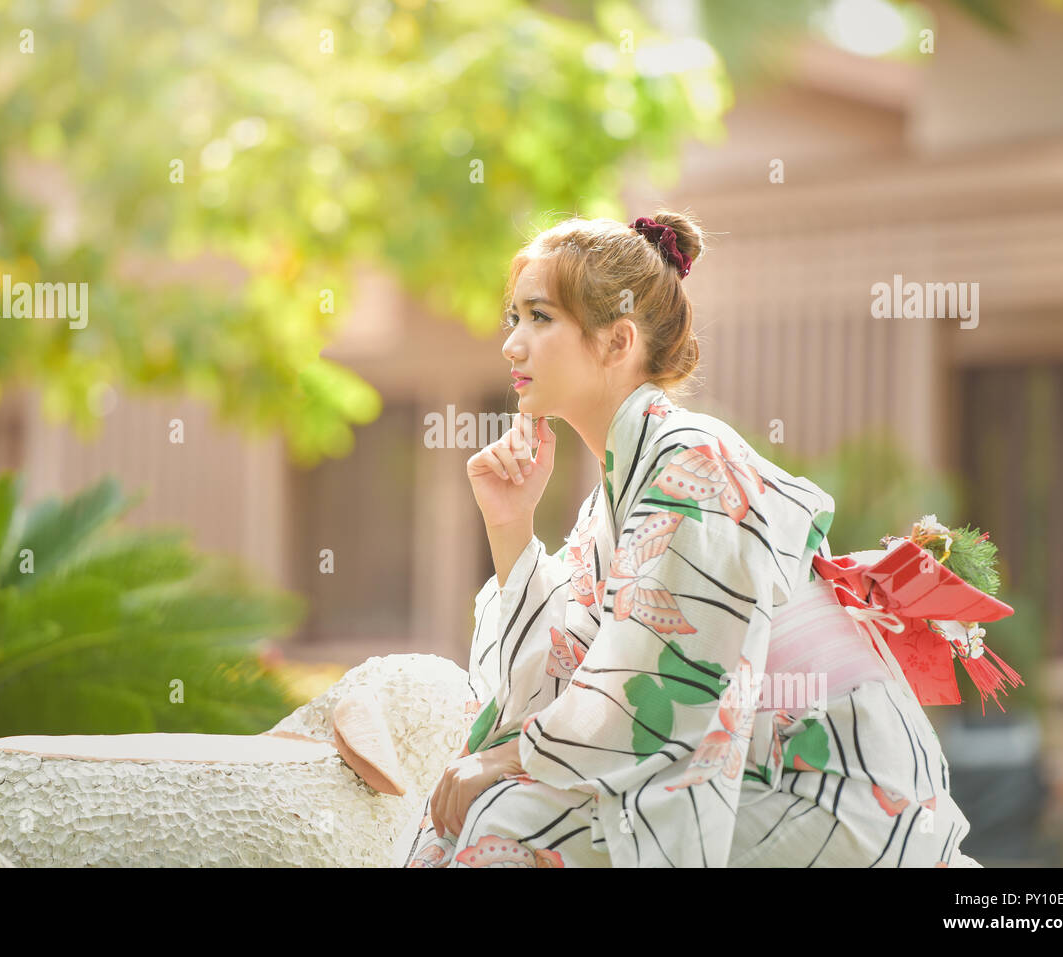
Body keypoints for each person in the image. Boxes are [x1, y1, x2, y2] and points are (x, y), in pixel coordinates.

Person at [391, 211, 981, 868]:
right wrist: (510, 525)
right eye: (514, 319)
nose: (512, 344)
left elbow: (656, 684)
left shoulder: (695, 464)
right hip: (761, 771)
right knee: (472, 814)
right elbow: (556, 679)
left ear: (618, 342)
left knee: (513, 824)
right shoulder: (622, 491)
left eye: (540, 318)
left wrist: (509, 758)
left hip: (833, 780)